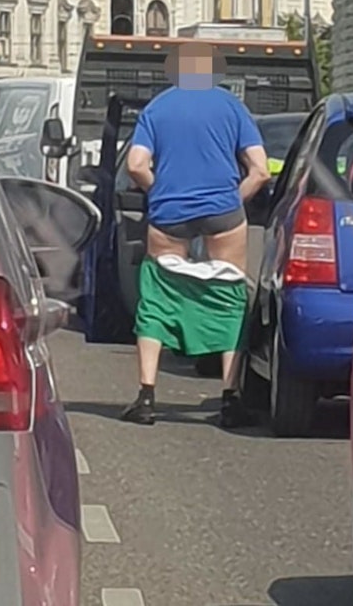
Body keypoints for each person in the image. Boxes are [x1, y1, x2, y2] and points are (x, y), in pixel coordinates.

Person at [120, 41, 271, 428]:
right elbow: (260, 170)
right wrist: (229, 198)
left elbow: (136, 165)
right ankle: (229, 399)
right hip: (223, 214)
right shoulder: (232, 107)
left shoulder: (158, 108)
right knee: (228, 297)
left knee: (157, 298)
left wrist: (161, 190)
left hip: (170, 214)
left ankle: (147, 396)